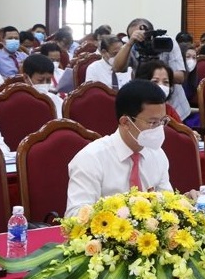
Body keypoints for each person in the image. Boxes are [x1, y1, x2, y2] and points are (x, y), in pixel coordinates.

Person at [65, 80, 173, 214]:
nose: (159, 129)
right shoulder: (91, 158)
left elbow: (167, 205)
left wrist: (184, 203)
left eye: (163, 121)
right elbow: (75, 214)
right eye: (153, 122)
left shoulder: (157, 154)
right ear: (126, 122)